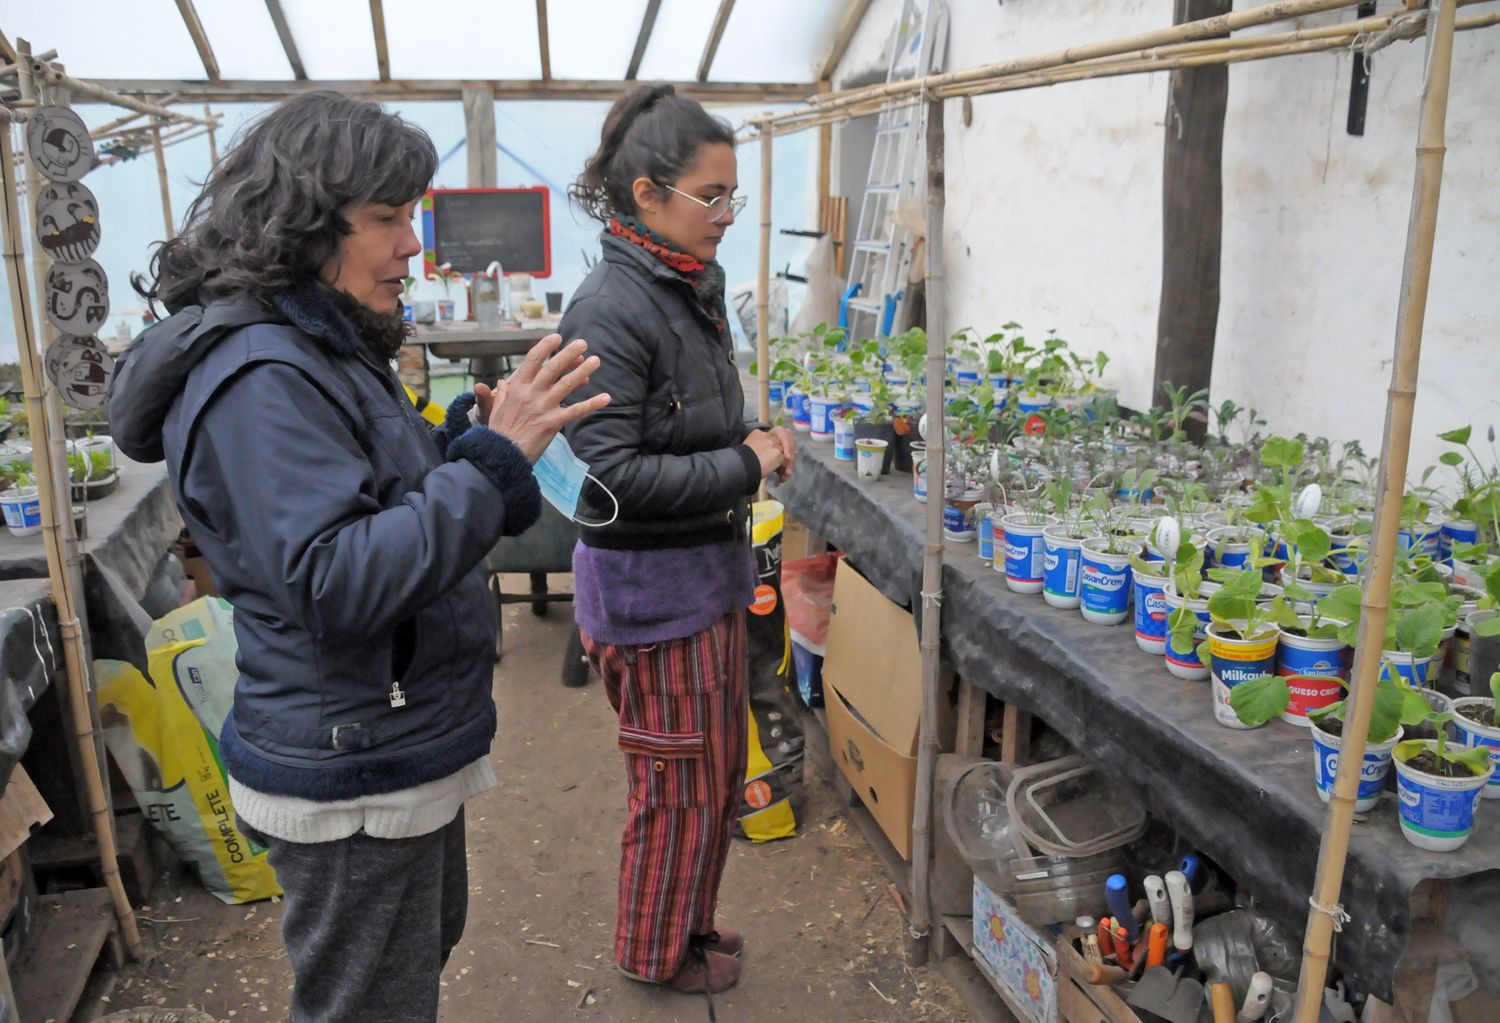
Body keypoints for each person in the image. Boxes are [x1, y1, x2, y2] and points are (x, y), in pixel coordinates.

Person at [107, 92, 609, 1023]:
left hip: (387, 735)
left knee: (399, 977)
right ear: (300, 226)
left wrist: (466, 446)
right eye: (386, 218)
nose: (412, 244)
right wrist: (496, 464)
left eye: (411, 214)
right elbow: (335, 578)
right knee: (369, 1004)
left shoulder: (315, 340)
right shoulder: (261, 375)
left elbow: (365, 495)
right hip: (352, 756)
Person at [560, 84, 797, 998]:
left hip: (701, 578)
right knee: (677, 789)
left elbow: (693, 423)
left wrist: (756, 439)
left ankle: (685, 920)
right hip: (651, 596)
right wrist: (745, 463)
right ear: (649, 194)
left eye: (734, 195)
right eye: (714, 196)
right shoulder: (611, 307)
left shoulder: (683, 285)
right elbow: (611, 477)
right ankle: (653, 952)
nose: (729, 215)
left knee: (711, 774)